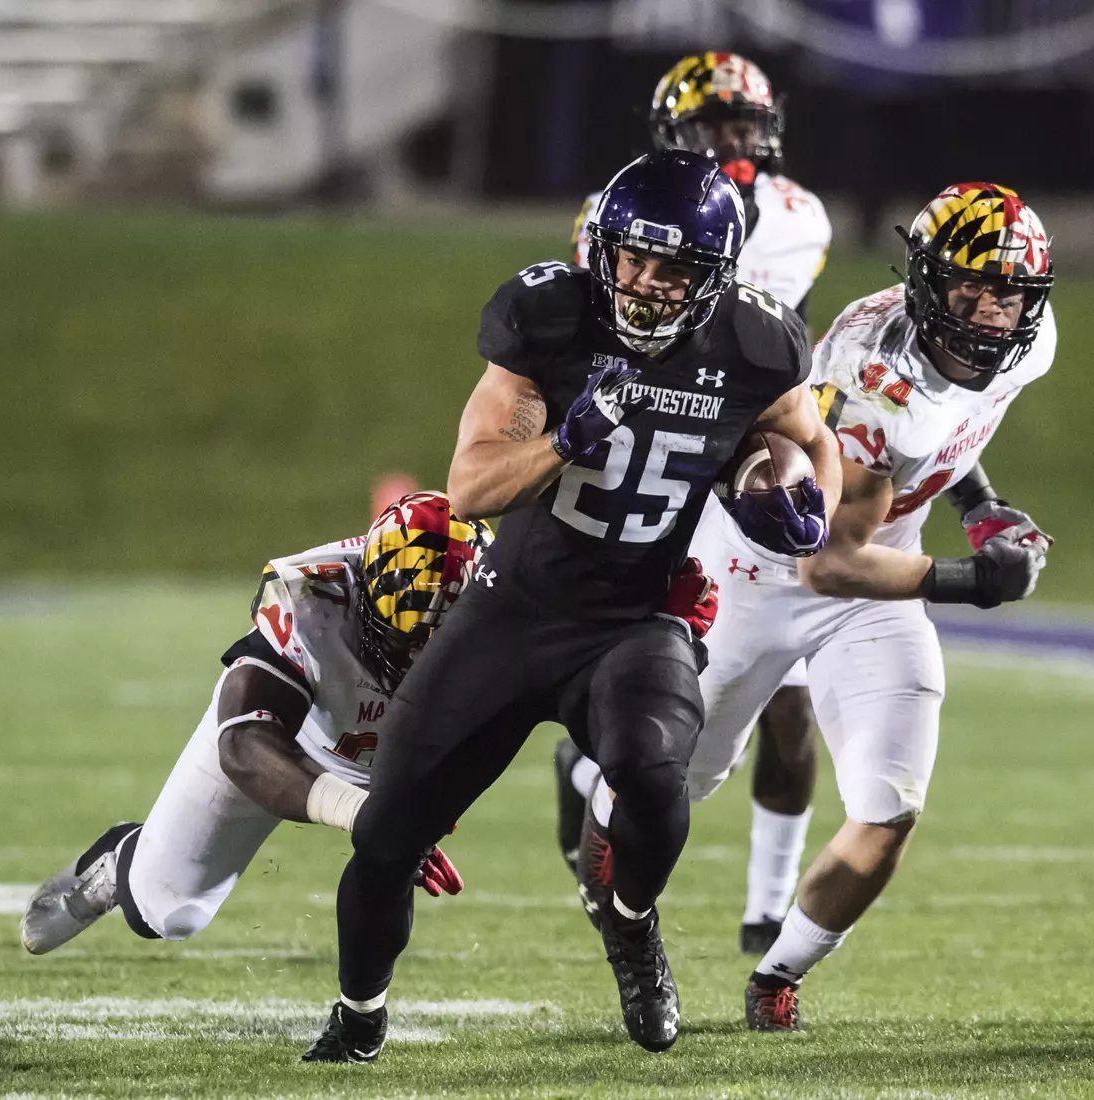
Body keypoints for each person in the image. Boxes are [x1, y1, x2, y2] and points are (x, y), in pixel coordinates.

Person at [315, 148, 841, 1058]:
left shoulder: (757, 343)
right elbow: (471, 486)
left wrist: (808, 502)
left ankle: (630, 925)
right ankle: (359, 1015)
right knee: (389, 832)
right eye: (632, 257)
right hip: (511, 613)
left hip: (636, 618)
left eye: (670, 268)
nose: (642, 282)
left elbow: (809, 438)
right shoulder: (550, 318)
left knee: (655, 776)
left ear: (715, 275)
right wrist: (566, 438)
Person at [684, 182, 1056, 1031]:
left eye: (1008, 292)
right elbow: (829, 563)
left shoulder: (1028, 342)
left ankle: (777, 974)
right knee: (678, 781)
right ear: (927, 282)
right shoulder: (873, 381)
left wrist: (982, 506)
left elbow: (954, 426)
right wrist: (976, 581)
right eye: (970, 287)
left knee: (890, 805)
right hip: (763, 570)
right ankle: (612, 862)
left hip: (876, 571)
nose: (991, 310)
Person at [19, 491, 492, 1063]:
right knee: (168, 912)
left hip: (389, 749)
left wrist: (422, 808)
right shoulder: (310, 597)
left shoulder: (507, 606)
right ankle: (126, 857)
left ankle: (362, 1019)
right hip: (291, 737)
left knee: (391, 857)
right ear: (366, 595)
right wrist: (363, 812)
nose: (417, 663)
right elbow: (244, 744)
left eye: (437, 645)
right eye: (405, 641)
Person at [559, 52, 831, 954]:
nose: (732, 140)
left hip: (747, 452)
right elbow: (609, 324)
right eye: (713, 126)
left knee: (788, 701)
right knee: (675, 688)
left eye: (744, 123)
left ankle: (766, 910)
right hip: (664, 449)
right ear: (672, 132)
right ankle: (590, 770)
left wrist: (789, 461)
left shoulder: (800, 216)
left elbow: (780, 354)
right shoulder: (622, 207)